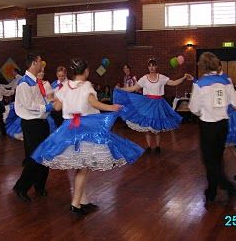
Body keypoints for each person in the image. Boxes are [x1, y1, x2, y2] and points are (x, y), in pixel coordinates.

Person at [31, 58, 143, 215]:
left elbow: (56, 106)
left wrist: (51, 97)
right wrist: (111, 107)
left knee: (81, 165)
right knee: (83, 167)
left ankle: (83, 201)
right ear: (86, 71)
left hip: (69, 128)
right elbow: (93, 102)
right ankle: (75, 204)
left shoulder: (65, 87)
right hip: (84, 128)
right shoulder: (86, 85)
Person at [188, 52, 236, 203]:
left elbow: (193, 107)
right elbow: (234, 102)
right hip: (223, 124)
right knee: (217, 158)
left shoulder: (199, 84)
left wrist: (202, 111)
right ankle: (211, 191)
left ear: (202, 66)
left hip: (208, 125)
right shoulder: (226, 81)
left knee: (209, 159)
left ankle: (226, 185)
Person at [114, 58, 193, 154]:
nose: (151, 67)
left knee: (156, 127)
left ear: (156, 66)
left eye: (153, 65)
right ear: (148, 67)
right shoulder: (144, 78)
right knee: (147, 126)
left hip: (158, 104)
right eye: (149, 66)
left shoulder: (161, 77)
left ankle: (158, 146)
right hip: (147, 103)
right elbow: (133, 88)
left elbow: (173, 82)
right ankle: (148, 146)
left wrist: (184, 77)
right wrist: (121, 89)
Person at [12, 53, 54, 203]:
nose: (42, 64)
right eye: (40, 61)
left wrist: (50, 104)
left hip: (41, 123)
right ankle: (21, 187)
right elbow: (29, 105)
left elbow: (40, 100)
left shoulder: (36, 82)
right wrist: (47, 106)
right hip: (32, 124)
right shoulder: (24, 83)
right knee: (34, 158)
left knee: (44, 156)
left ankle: (39, 185)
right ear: (34, 63)